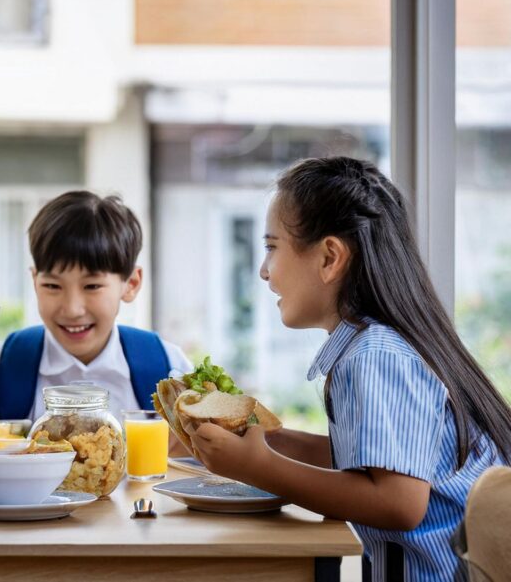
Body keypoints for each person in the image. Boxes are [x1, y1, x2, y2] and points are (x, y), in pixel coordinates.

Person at [191, 156, 511, 581]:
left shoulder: (374, 355)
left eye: (272, 247)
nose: (264, 271)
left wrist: (258, 467)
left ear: (329, 258)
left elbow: (399, 503)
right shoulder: (378, 345)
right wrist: (270, 440)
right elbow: (375, 460)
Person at [0, 190, 191, 436]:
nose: (72, 309)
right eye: (52, 286)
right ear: (34, 281)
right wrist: (0, 441)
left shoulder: (164, 366)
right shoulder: (9, 362)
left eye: (92, 286)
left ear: (130, 284)